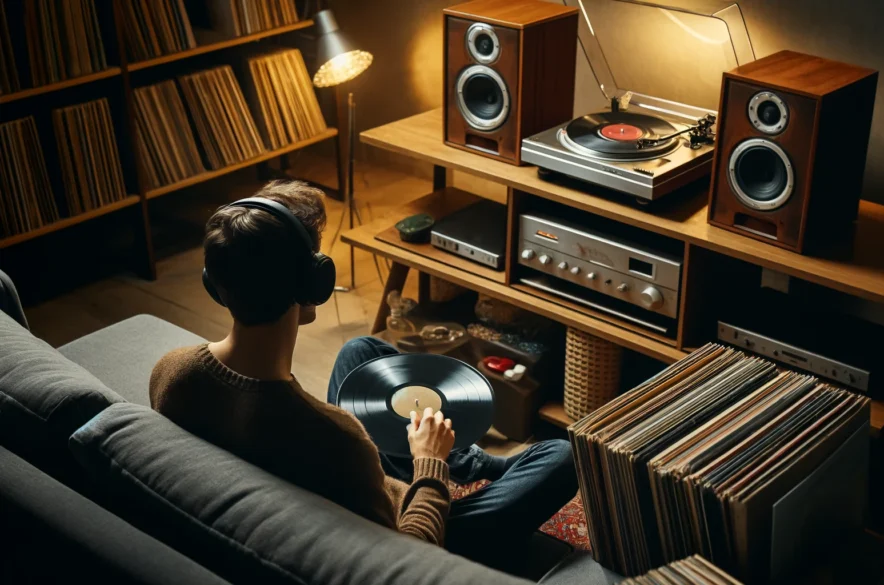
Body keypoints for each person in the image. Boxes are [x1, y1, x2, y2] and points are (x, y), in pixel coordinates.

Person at [150, 180, 578, 570]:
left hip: (330, 484)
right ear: (313, 284)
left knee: (361, 350)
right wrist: (430, 465)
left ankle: (463, 459)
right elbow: (408, 555)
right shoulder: (338, 439)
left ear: (215, 282)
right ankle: (450, 460)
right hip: (405, 526)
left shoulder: (173, 371)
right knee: (562, 456)